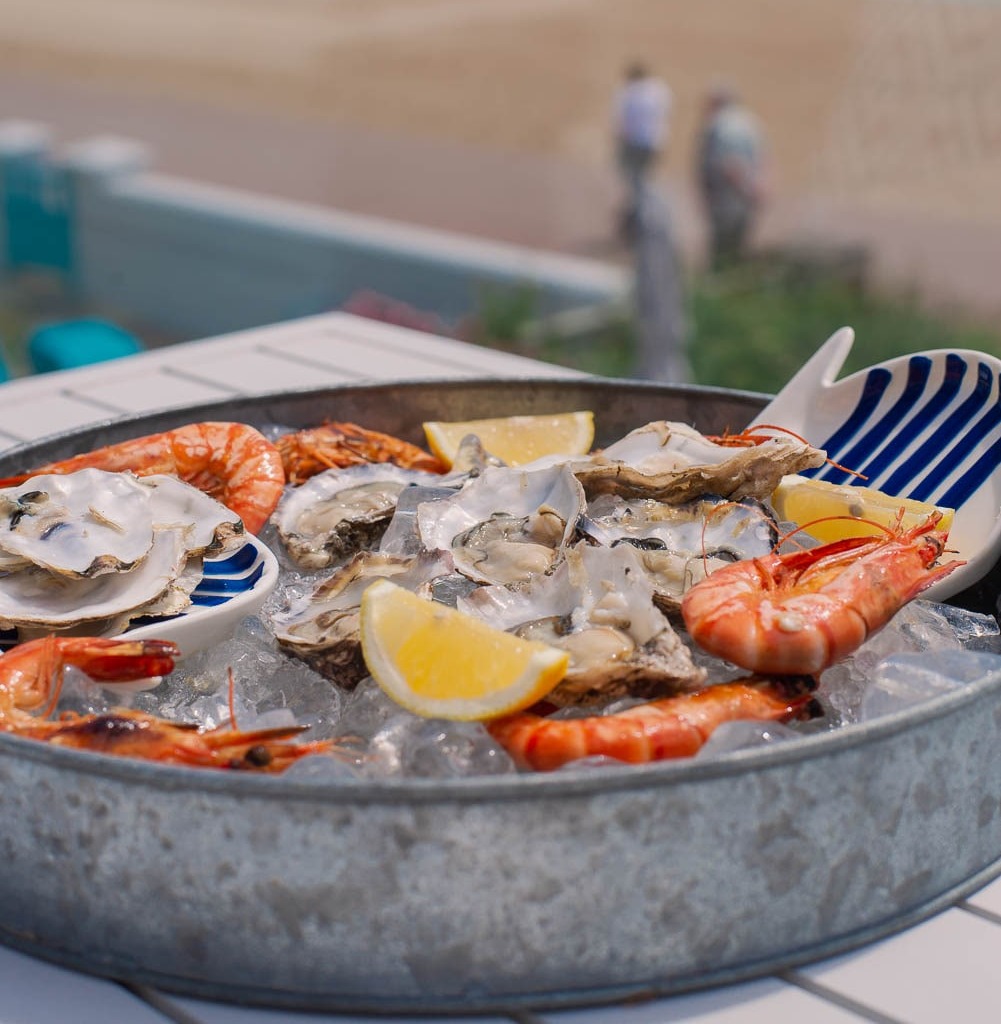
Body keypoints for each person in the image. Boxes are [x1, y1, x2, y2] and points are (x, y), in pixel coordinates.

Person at [696, 83, 765, 269]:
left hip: (729, 196)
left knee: (724, 248)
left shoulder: (722, 126)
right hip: (745, 195)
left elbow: (730, 164)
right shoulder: (749, 122)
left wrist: (746, 188)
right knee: (739, 245)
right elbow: (764, 157)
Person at [613, 62, 672, 238]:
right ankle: (644, 216)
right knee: (645, 180)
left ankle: (644, 220)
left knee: (636, 182)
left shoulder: (629, 92)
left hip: (633, 143)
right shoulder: (659, 90)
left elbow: (621, 120)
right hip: (655, 142)